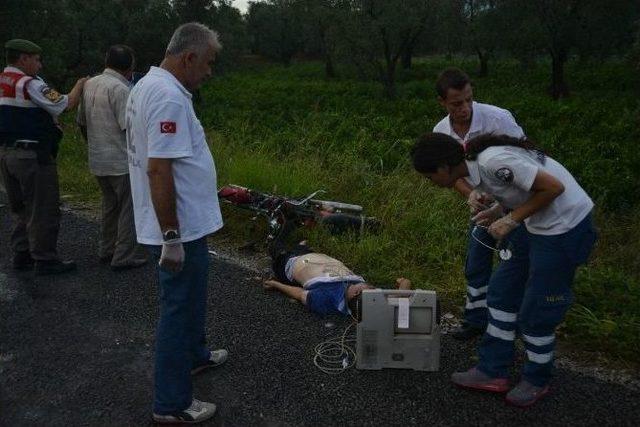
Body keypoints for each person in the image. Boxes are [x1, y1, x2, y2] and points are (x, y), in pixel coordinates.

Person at [411, 132, 597, 407]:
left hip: (564, 228)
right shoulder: (479, 171)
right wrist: (498, 211)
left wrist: (511, 219)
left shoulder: (492, 162)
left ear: (443, 168)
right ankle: (492, 370)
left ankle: (537, 378)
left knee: (536, 310)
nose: (431, 182)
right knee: (500, 294)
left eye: (429, 177)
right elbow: (521, 191)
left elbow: (553, 188)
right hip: (535, 224)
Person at [126, 23, 227, 424]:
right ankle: (171, 403)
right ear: (189, 58)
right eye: (208, 63)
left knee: (192, 298)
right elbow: (157, 169)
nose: (209, 72)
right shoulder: (168, 96)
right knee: (178, 308)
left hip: (187, 225)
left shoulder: (148, 86)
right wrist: (171, 237)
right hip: (177, 228)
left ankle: (196, 356)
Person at [432, 68, 526, 340]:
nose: (465, 108)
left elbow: (527, 161)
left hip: (515, 203)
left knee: (513, 262)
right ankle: (475, 319)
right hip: (482, 205)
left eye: (469, 100)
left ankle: (512, 322)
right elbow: (451, 174)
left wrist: (505, 208)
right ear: (442, 103)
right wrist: (471, 194)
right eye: (456, 104)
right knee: (476, 260)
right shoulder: (441, 131)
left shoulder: (498, 118)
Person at [0, 39, 87, 275]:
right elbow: (65, 104)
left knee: (21, 207)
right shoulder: (29, 84)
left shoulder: (4, 81)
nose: (39, 66)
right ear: (23, 59)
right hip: (32, 155)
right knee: (43, 207)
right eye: (37, 60)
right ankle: (45, 259)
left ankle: (22, 254)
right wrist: (80, 85)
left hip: (7, 154)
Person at [76, 45, 147, 271]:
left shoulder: (90, 84)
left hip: (98, 159)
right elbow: (129, 128)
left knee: (109, 206)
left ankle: (106, 249)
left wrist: (93, 145)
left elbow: (82, 122)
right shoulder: (121, 89)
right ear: (130, 67)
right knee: (129, 208)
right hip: (120, 160)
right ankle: (123, 255)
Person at [265, 240, 412, 317]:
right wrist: (403, 284)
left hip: (288, 263)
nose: (372, 287)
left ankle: (291, 246)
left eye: (370, 288)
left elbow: (297, 293)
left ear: (356, 293)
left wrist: (276, 284)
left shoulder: (327, 300)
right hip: (317, 257)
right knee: (303, 247)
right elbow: (403, 290)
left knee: (276, 246)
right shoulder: (369, 301)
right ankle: (302, 246)